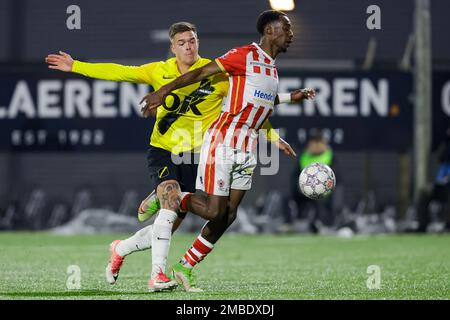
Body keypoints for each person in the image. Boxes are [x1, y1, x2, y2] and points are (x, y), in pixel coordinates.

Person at [45, 21, 303, 292]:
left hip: (198, 157)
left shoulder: (217, 74)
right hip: (165, 151)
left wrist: (275, 133)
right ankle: (157, 275)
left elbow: (251, 104)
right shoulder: (160, 71)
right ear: (172, 48)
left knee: (167, 225)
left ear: (197, 43)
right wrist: (77, 66)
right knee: (170, 204)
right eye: (181, 43)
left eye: (192, 41)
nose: (188, 46)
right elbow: (120, 72)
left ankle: (121, 248)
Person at [140, 10, 315, 291]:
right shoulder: (244, 55)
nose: (291, 35)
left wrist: (290, 98)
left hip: (247, 149)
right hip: (223, 142)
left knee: (229, 215)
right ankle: (174, 197)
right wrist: (163, 92)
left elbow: (260, 100)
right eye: (287, 29)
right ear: (270, 32)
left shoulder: (271, 67)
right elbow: (200, 73)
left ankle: (185, 265)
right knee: (213, 211)